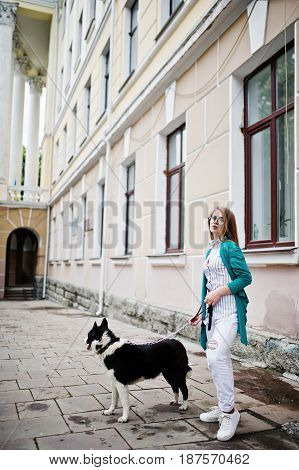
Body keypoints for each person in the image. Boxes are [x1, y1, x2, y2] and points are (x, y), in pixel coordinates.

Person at [190, 207, 252, 441]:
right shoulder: (210, 250)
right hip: (213, 314)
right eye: (212, 218)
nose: (214, 221)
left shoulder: (230, 248)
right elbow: (208, 286)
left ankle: (229, 413)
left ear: (228, 224)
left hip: (229, 314)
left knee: (216, 357)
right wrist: (201, 310)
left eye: (220, 218)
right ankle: (223, 405)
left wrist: (219, 293)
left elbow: (246, 278)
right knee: (215, 360)